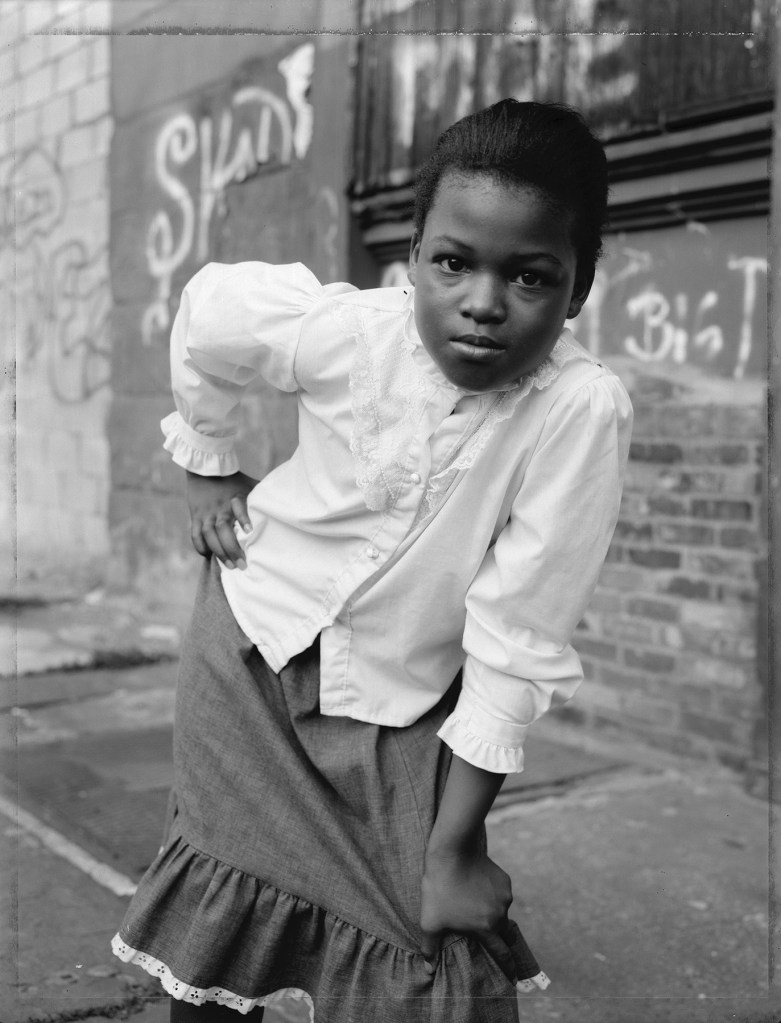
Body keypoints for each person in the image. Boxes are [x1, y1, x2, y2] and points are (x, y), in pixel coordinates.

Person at [111, 99, 633, 1023]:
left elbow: (517, 634)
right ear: (412, 259)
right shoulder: (348, 330)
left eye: (529, 276)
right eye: (452, 262)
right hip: (248, 655)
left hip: (397, 704)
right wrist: (207, 459)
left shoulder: (576, 410)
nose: (481, 301)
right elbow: (210, 314)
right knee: (215, 911)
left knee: (428, 953)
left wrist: (452, 846)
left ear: (579, 287)